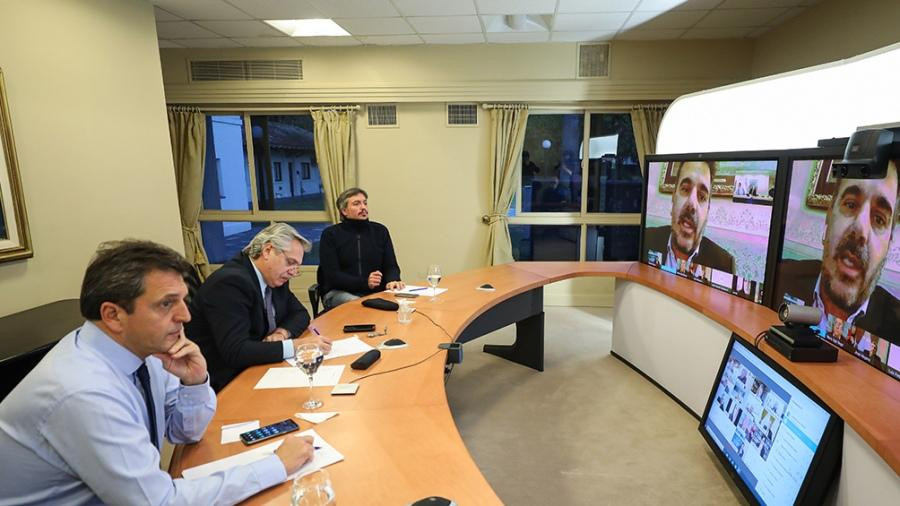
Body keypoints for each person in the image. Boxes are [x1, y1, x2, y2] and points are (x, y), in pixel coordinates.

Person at [0, 240, 315, 504]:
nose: (186, 315)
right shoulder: (83, 391)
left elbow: (184, 432)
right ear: (113, 315)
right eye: (167, 304)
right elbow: (159, 502)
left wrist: (194, 382)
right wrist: (274, 465)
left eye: (182, 300)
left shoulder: (143, 351)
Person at [187, 223, 332, 391]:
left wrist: (281, 332)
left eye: (297, 266)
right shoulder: (230, 283)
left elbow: (300, 313)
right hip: (226, 383)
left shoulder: (274, 277)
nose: (293, 272)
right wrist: (297, 346)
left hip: (258, 367)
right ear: (267, 251)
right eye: (290, 262)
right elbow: (236, 351)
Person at [775, 160, 899, 340]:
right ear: (828, 218)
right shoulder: (780, 278)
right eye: (850, 204)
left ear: (889, 244)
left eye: (879, 219)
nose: (860, 229)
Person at [317, 187, 404, 310]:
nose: (363, 207)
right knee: (360, 305)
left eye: (365, 203)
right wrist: (364, 282)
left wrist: (392, 280)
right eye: (356, 204)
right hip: (338, 293)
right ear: (344, 211)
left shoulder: (380, 231)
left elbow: (391, 266)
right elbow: (332, 275)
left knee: (403, 304)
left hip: (375, 293)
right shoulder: (331, 234)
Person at [644, 161, 736, 274]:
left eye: (702, 197)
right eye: (685, 189)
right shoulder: (646, 239)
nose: (692, 203)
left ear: (707, 212)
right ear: (673, 197)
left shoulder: (724, 264)